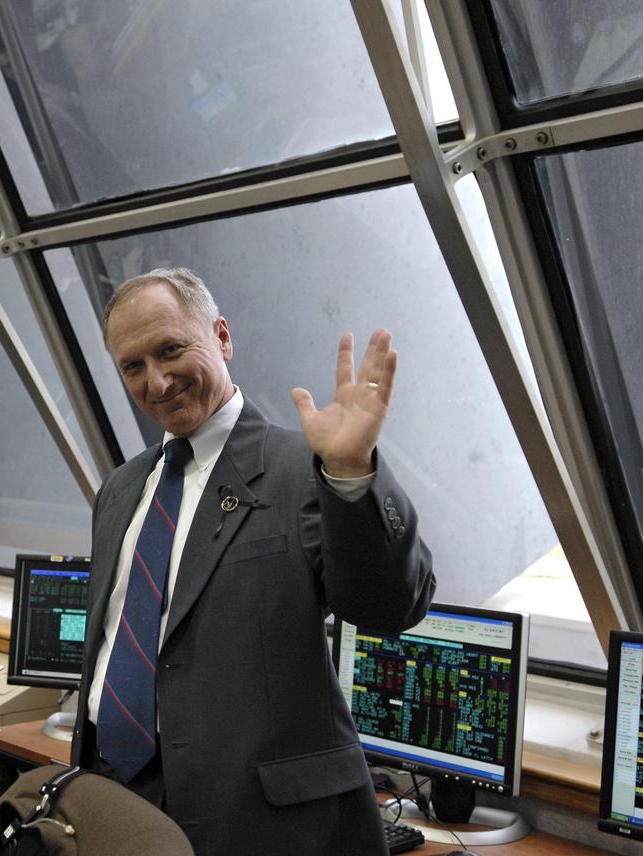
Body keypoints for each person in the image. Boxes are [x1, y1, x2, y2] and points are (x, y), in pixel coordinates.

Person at [69, 268, 435, 856]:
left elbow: (390, 605)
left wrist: (350, 473)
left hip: (262, 822)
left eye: (170, 350)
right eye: (132, 367)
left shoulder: (304, 469)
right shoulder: (120, 489)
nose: (156, 382)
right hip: (116, 795)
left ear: (221, 336)